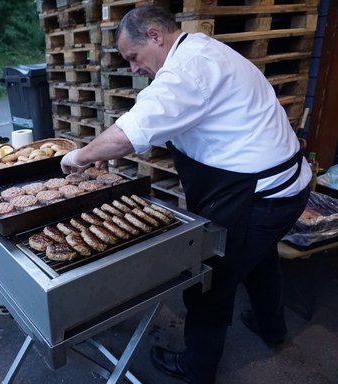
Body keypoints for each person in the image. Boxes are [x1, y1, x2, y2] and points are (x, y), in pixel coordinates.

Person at [61, 5, 311, 384]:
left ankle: (197, 367)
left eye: (134, 56)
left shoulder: (187, 69)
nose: (133, 68)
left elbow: (131, 133)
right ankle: (270, 325)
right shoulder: (204, 51)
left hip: (259, 195)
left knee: (212, 276)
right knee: (259, 261)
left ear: (156, 37)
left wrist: (79, 156)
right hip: (285, 187)